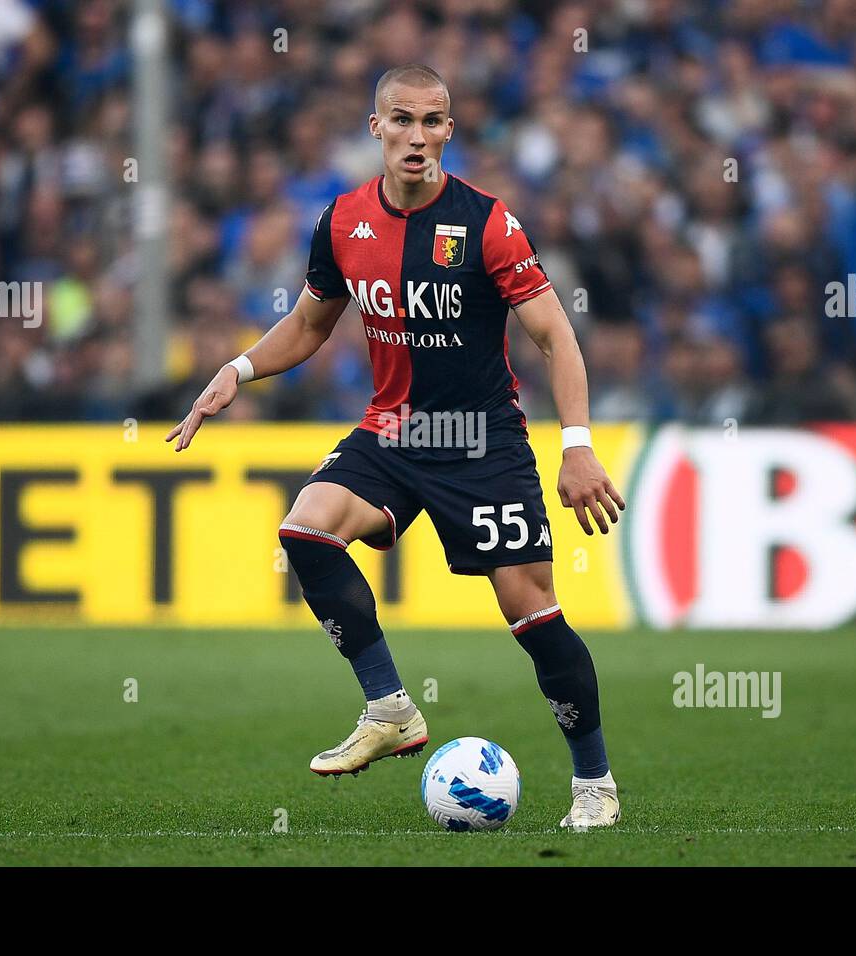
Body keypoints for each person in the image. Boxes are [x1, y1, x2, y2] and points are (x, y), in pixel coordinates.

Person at [167, 65, 625, 828]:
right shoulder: (342, 221)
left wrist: (576, 445)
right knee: (305, 527)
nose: (419, 136)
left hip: (483, 444)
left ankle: (594, 786)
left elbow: (555, 334)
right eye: (403, 120)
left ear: (451, 129)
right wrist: (238, 369)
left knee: (532, 616)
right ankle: (391, 709)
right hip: (395, 430)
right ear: (375, 127)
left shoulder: (487, 222)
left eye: (434, 122)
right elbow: (311, 325)